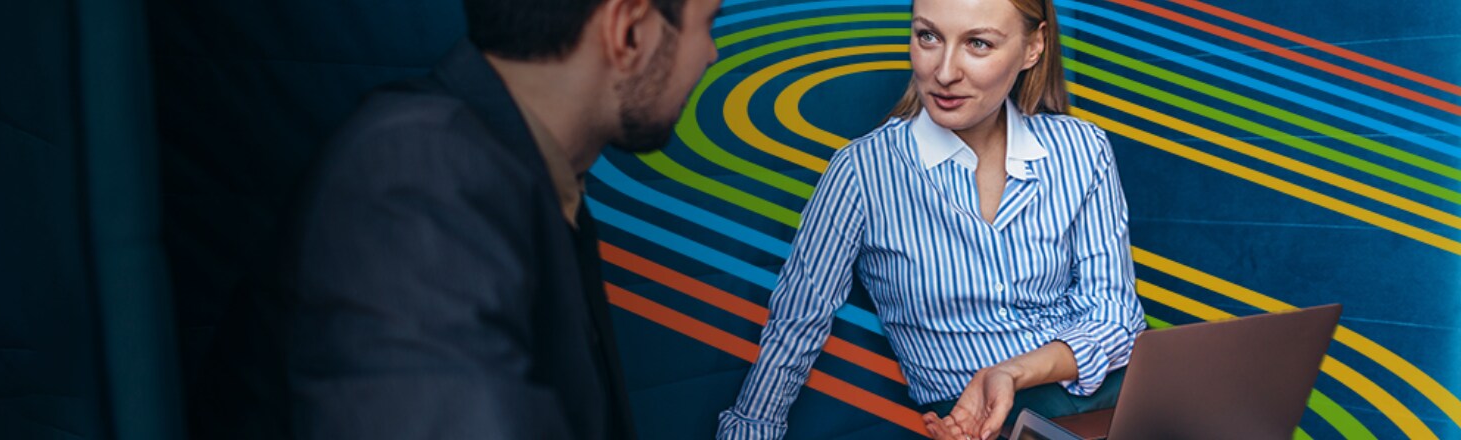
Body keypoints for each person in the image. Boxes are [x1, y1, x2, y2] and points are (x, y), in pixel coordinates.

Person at [190, 0, 722, 438]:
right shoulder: (413, 174)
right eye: (708, 24)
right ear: (627, 30)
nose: (711, 53)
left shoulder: (523, 175)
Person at [715, 0, 1145, 438]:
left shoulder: (1081, 148)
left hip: (1117, 398)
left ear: (1033, 47)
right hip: (975, 424)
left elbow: (1117, 318)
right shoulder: (863, 171)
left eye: (978, 43)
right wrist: (751, 429)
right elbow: (796, 325)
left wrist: (1011, 373)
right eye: (929, 36)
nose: (944, 72)